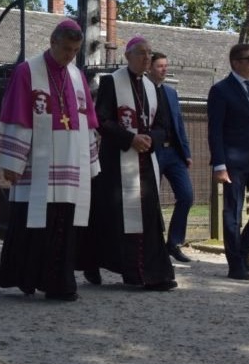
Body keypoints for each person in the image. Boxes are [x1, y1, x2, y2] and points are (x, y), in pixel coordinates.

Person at [0, 19, 99, 302]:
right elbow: (16, 115)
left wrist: (91, 160)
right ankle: (26, 278)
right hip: (35, 162)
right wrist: (11, 163)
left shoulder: (76, 75)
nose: (69, 56)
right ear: (52, 42)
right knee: (32, 223)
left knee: (62, 223)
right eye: (66, 50)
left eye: (75, 51)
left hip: (69, 161)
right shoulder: (28, 71)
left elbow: (87, 121)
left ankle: (59, 281)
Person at [78, 36, 177, 291]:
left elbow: (163, 126)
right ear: (128, 56)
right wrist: (130, 138)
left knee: (147, 217)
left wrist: (149, 140)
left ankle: (151, 273)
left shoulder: (153, 87)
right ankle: (95, 262)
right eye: (141, 53)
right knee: (109, 218)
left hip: (146, 160)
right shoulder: (112, 82)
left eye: (149, 53)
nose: (147, 58)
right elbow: (101, 119)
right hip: (116, 162)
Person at [207, 43, 249, 281]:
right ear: (236, 62)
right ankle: (235, 265)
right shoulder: (220, 90)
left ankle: (243, 251)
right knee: (233, 213)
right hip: (232, 162)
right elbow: (214, 130)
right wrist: (219, 164)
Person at [149, 51, 195, 263]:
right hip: (153, 152)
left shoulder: (171, 92)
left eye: (166, 66)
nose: (164, 69)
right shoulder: (142, 91)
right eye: (160, 66)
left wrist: (186, 152)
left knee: (186, 196)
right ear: (150, 68)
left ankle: (174, 242)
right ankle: (153, 243)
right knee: (151, 199)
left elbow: (179, 124)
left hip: (174, 153)